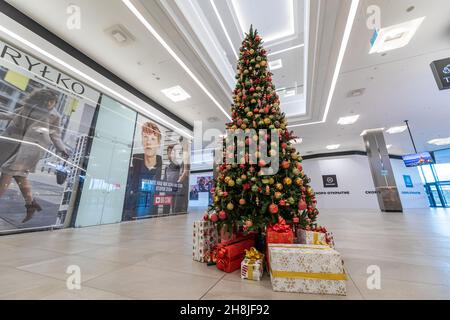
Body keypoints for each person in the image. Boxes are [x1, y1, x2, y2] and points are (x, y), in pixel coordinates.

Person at [0, 89, 69, 223]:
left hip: (30, 149)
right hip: (13, 143)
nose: (51, 104)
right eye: (49, 101)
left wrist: (62, 149)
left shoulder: (54, 116)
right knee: (20, 176)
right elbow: (10, 115)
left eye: (53, 102)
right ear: (41, 100)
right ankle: (31, 204)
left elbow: (55, 135)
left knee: (7, 173)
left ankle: (31, 204)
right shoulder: (28, 107)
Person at [124, 121, 162, 219]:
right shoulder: (135, 164)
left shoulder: (159, 167)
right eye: (145, 137)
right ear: (142, 140)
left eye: (153, 139)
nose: (148, 142)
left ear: (158, 144)